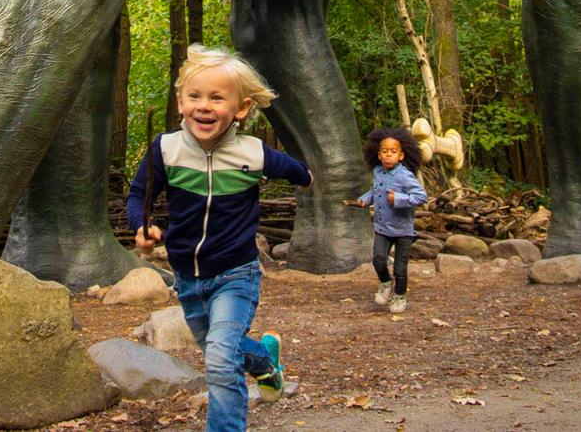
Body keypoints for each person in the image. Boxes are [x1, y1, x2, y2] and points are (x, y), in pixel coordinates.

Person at [127, 45, 312, 432]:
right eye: (194, 96)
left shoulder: (253, 153)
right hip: (188, 277)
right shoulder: (166, 150)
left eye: (216, 97)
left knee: (219, 359)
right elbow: (138, 195)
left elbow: (297, 171)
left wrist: (306, 177)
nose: (203, 106)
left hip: (235, 274)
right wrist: (141, 227)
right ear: (180, 102)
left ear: (241, 108)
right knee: (218, 350)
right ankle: (265, 361)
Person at [349, 126, 428, 313]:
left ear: (401, 155)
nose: (388, 155)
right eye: (384, 151)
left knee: (400, 269)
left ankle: (399, 296)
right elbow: (376, 191)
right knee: (378, 259)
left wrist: (399, 199)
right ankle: (385, 283)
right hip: (382, 227)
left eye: (393, 152)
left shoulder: (404, 175)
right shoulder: (378, 172)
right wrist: (364, 199)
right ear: (378, 155)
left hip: (403, 231)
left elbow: (421, 196)